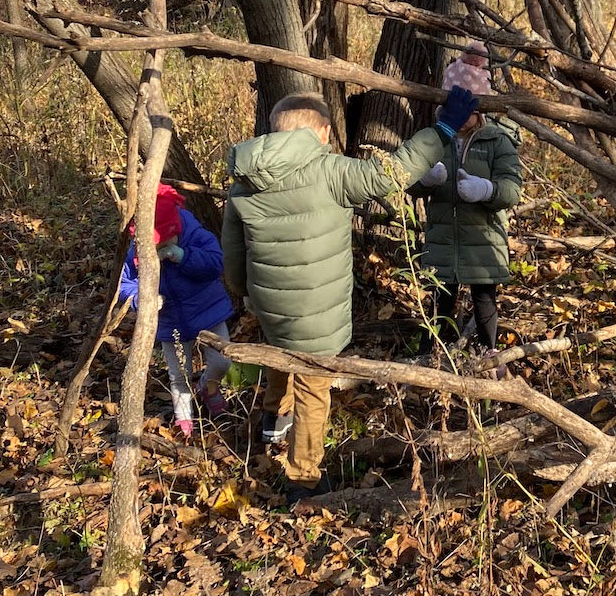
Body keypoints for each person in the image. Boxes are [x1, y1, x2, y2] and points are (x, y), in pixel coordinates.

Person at [222, 85, 478, 499]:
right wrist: (443, 128)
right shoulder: (330, 170)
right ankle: (302, 477)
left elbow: (232, 248)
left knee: (278, 350)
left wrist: (244, 291)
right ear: (322, 133)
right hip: (317, 308)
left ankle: (273, 421)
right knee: (313, 386)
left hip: (269, 300)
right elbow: (390, 174)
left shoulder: (245, 179)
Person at [414, 47, 522, 370]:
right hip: (443, 238)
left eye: (468, 111)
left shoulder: (497, 142)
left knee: (484, 299)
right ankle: (434, 354)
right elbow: (407, 181)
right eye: (453, 110)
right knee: (441, 298)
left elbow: (511, 189)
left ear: (481, 109)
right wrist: (427, 180)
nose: (461, 119)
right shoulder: (434, 139)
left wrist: (486, 189)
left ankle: (488, 353)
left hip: (483, 242)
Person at [119, 183, 234, 438]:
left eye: (164, 243)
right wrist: (141, 298)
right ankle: (184, 422)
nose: (158, 251)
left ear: (175, 228)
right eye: (153, 246)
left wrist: (184, 256)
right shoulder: (137, 250)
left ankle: (209, 387)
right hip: (170, 319)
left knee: (222, 360)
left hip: (208, 310)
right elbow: (124, 283)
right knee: (179, 374)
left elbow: (216, 262)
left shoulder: (192, 232)